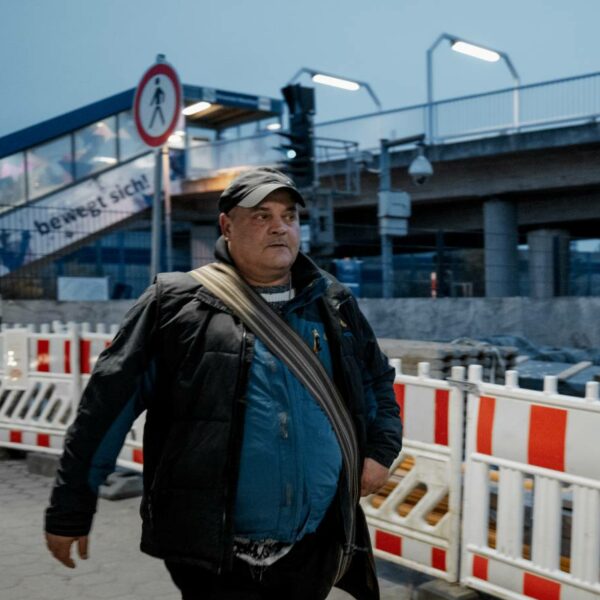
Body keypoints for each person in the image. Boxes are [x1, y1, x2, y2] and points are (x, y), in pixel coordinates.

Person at [44, 167, 402, 600]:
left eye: (289, 217)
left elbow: (376, 380)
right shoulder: (174, 304)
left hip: (314, 543)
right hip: (213, 553)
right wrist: (70, 511)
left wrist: (380, 452)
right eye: (261, 215)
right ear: (226, 226)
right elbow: (103, 411)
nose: (279, 227)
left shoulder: (333, 302)